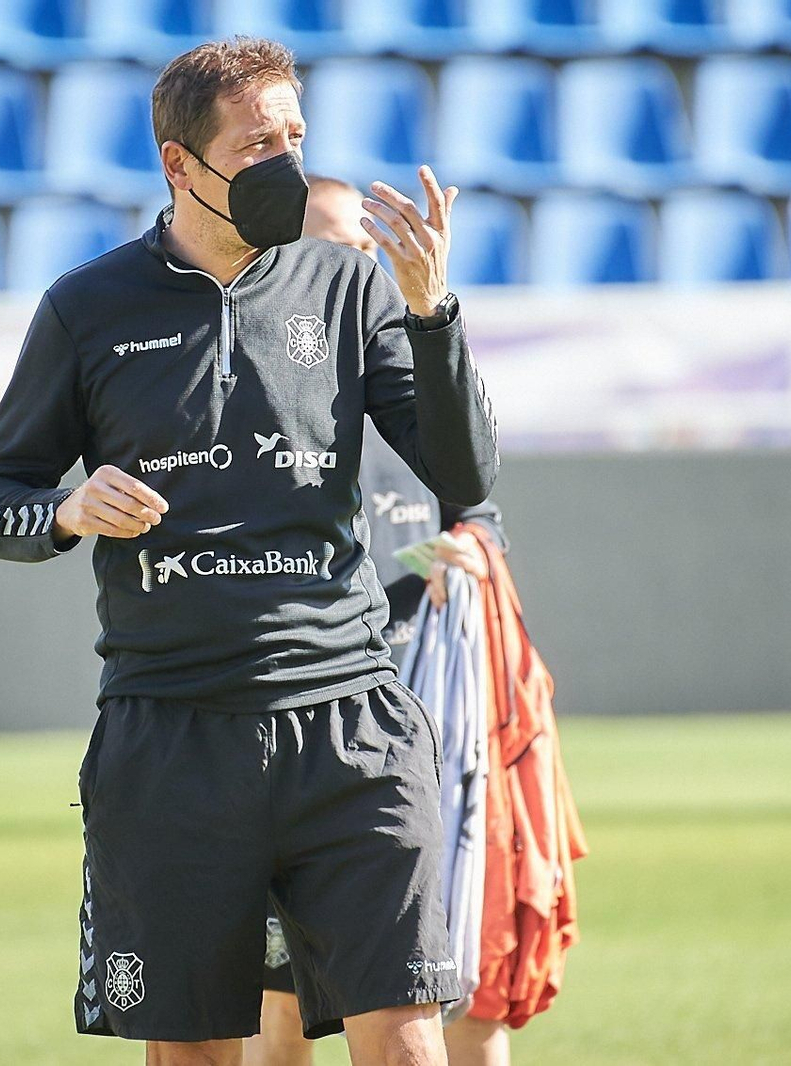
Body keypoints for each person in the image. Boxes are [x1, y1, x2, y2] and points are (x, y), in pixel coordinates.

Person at [0, 37, 498, 1066]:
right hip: (174, 738)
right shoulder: (87, 307)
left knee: (409, 1043)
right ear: (180, 164)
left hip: (351, 723)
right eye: (259, 143)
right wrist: (71, 511)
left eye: (296, 136)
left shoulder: (349, 286)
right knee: (196, 1052)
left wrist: (433, 315)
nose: (286, 162)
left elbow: (464, 475)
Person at [244, 175, 511, 1066]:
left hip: (410, 739)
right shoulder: (257, 400)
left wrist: (471, 548)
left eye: (366, 246)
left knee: (460, 996)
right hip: (293, 737)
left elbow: (475, 506)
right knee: (281, 1004)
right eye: (333, 246)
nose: (359, 262)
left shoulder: (407, 378)